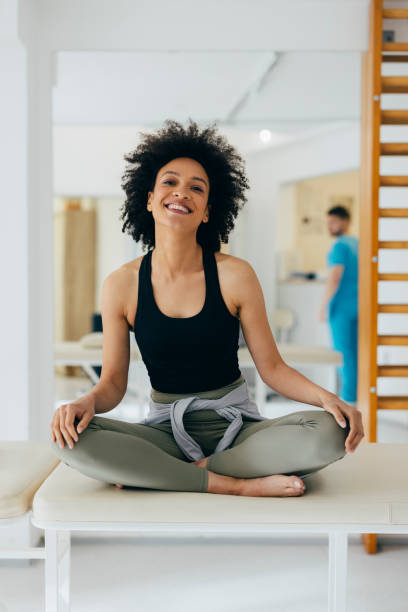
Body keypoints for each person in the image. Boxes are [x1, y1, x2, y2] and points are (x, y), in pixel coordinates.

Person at [50, 119, 364, 498]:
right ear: (148, 199)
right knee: (68, 439)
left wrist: (328, 399)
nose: (181, 192)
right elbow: (113, 385)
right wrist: (83, 402)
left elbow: (273, 369)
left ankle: (175, 474)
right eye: (169, 182)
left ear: (207, 212)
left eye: (196, 188)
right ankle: (233, 484)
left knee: (332, 431)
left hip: (239, 429)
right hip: (163, 432)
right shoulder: (121, 284)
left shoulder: (236, 275)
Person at [318, 206, 359, 405]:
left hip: (341, 309)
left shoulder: (339, 246)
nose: (330, 226)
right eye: (328, 222)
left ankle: (349, 402)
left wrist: (324, 306)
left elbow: (334, 277)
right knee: (356, 354)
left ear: (345, 221)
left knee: (343, 356)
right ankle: (356, 400)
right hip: (359, 306)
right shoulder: (357, 244)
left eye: (333, 222)